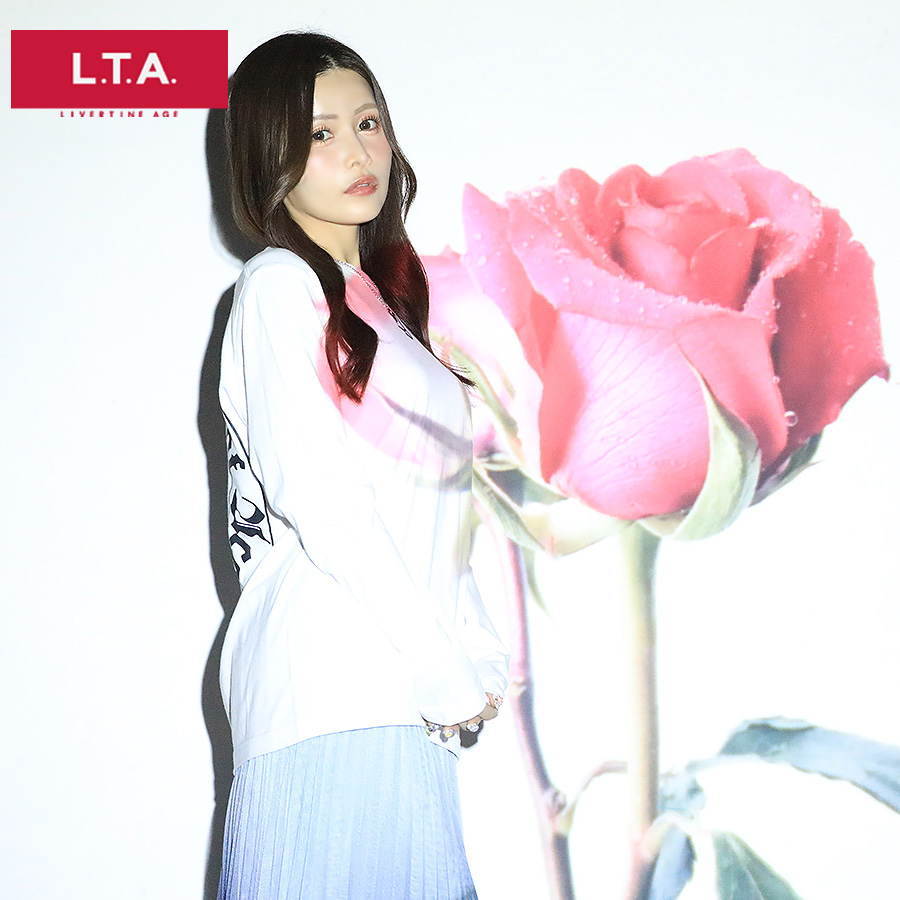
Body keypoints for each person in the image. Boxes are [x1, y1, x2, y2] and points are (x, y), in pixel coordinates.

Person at [217, 31, 510, 899]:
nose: (357, 151)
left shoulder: (384, 309)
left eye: (368, 122)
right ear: (269, 154)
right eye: (320, 133)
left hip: (398, 693)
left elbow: (434, 505)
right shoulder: (278, 284)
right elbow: (320, 498)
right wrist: (442, 664)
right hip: (331, 686)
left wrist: (476, 647)